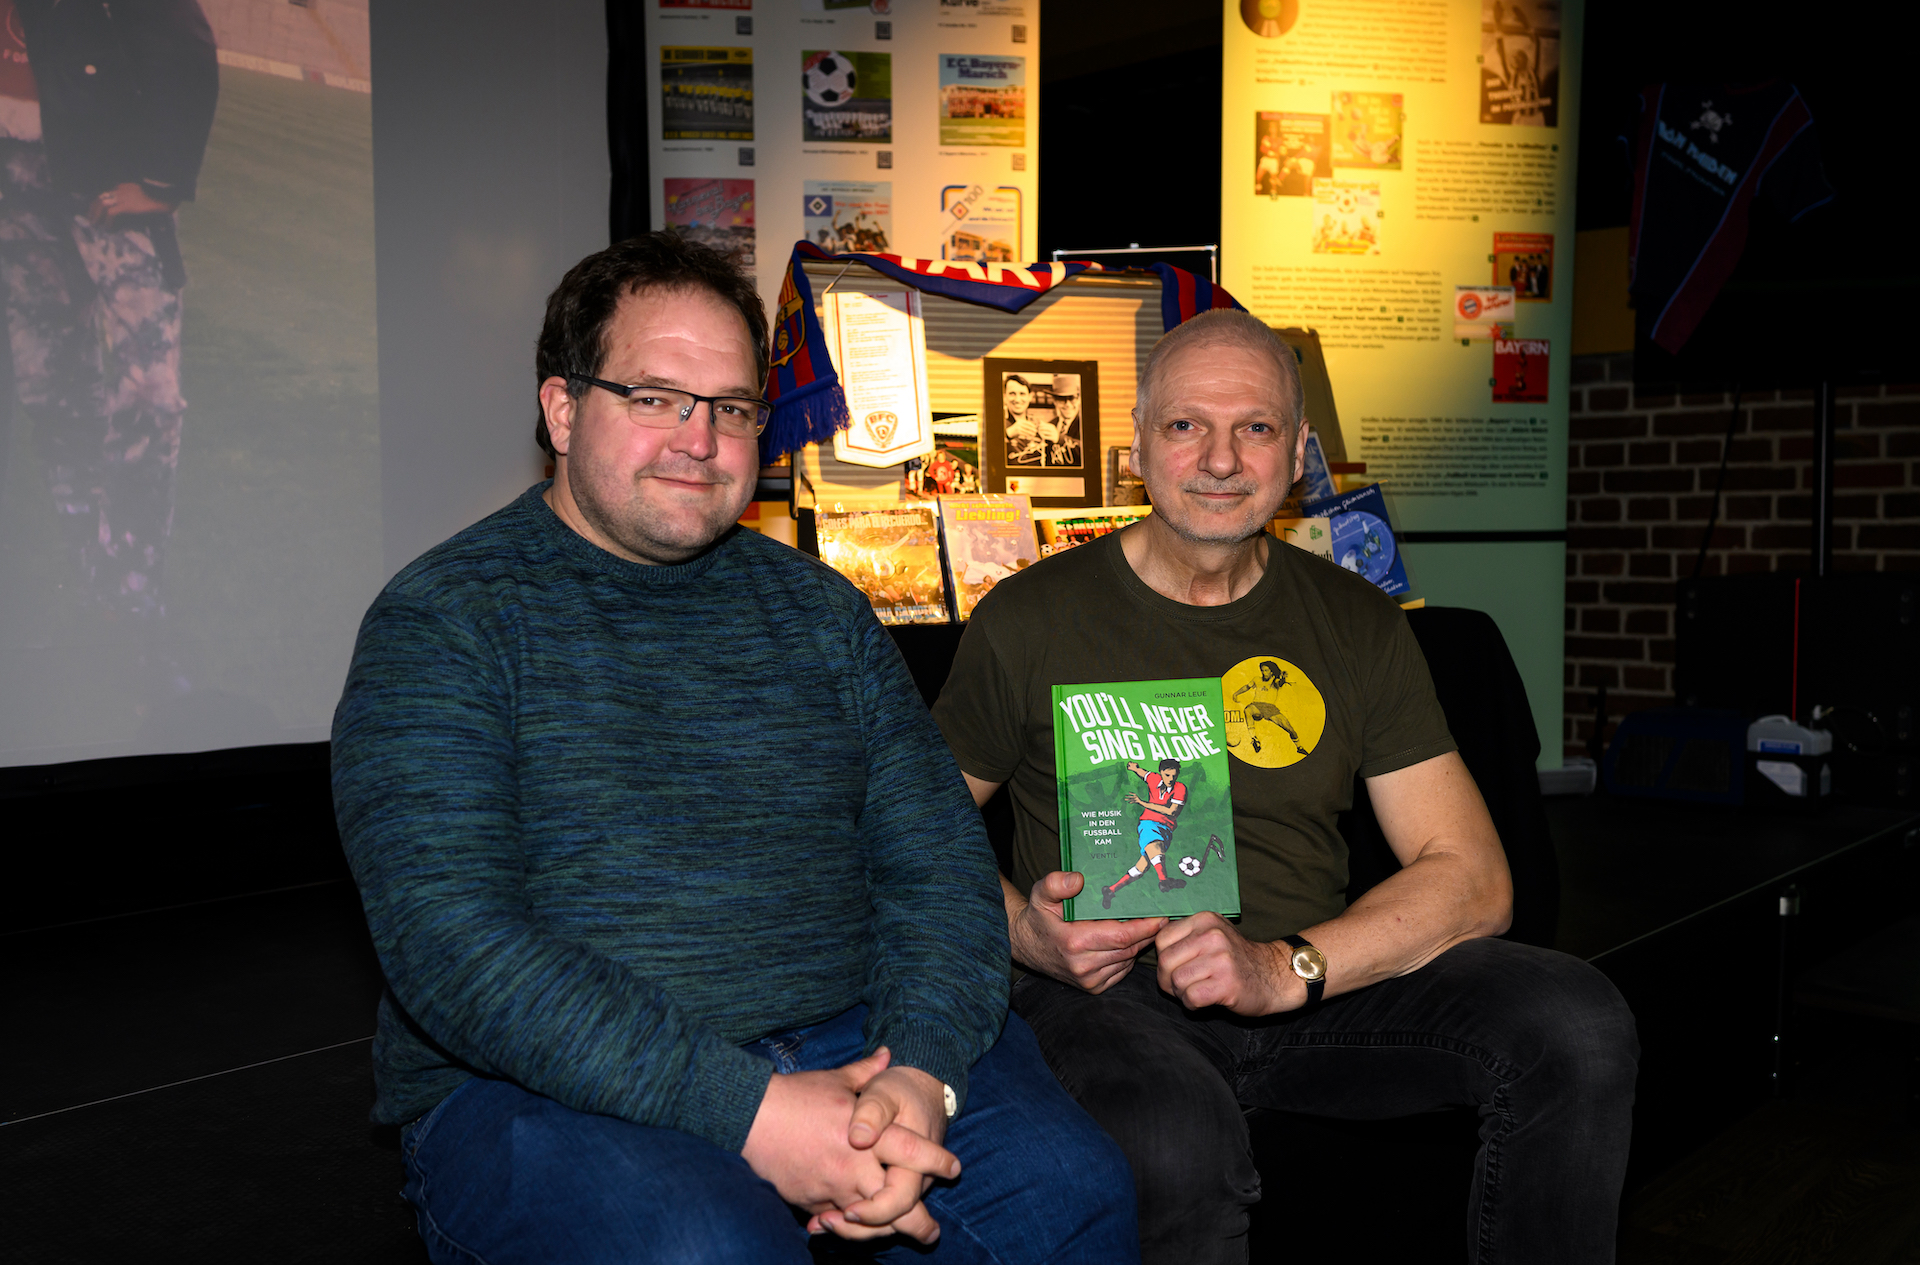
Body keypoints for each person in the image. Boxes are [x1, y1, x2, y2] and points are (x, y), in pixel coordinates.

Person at [331, 234, 1136, 1265]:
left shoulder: (821, 612)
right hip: (536, 1081)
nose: (699, 440)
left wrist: (922, 1079)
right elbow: (456, 944)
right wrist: (752, 1111)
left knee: (1072, 1196)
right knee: (708, 1246)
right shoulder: (445, 621)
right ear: (563, 409)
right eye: (656, 397)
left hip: (859, 1041)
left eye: (732, 407)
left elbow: (940, 872)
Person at [932, 308, 1638, 1265]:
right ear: (1136, 444)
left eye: (1256, 427)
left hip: (1312, 982)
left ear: (1300, 452)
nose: (1221, 457)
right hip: (1108, 993)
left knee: (1578, 1024)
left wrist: (1282, 969)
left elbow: (1473, 876)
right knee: (1172, 1134)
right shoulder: (1029, 617)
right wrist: (1027, 935)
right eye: (1187, 425)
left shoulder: (1357, 621)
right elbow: (907, 833)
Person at [0, 0, 216, 660]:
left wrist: (162, 178)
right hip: (11, 168)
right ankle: (85, 566)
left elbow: (184, 37)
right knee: (51, 377)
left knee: (149, 392)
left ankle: (130, 591)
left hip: (101, 167)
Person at [1101, 758, 1187, 905]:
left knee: (1142, 866)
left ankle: (1111, 890)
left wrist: (1142, 803)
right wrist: (1134, 767)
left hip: (1167, 828)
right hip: (1148, 823)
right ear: (1161, 772)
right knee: (1154, 846)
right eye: (1167, 775)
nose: (1171, 779)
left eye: (1174, 775)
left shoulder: (1180, 788)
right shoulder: (1154, 778)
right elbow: (1143, 773)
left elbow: (1172, 812)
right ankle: (1164, 881)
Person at [1046, 372, 1084, 468]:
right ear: (1054, 401)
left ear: (1079, 399)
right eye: (1062, 399)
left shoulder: (1085, 425)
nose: (1067, 404)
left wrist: (1059, 438)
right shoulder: (1050, 425)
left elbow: (1087, 453)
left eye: (1072, 398)